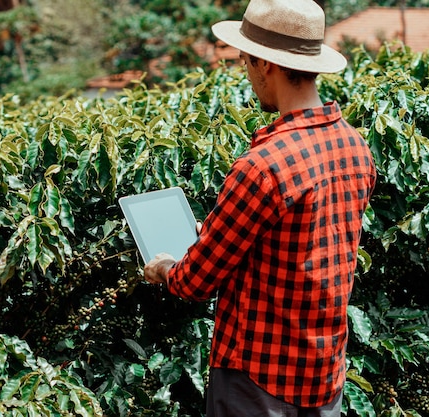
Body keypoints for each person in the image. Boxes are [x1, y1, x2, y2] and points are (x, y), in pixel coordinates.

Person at [144, 0, 377, 415]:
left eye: (244, 61)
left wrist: (164, 266)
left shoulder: (263, 166)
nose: (246, 74)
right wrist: (213, 232)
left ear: (265, 63)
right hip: (324, 375)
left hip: (258, 381)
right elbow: (300, 242)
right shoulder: (354, 146)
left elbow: (194, 283)